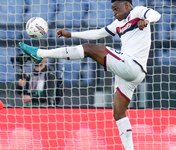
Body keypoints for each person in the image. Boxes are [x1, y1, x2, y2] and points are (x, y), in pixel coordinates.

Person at [19, 0, 161, 149]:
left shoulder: (137, 12)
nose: (114, 13)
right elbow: (97, 33)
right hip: (129, 73)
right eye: (112, 10)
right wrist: (71, 34)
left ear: (126, 5)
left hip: (132, 64)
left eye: (116, 9)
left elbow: (155, 14)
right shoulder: (117, 24)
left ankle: (40, 54)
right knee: (119, 113)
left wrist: (146, 20)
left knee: (88, 49)